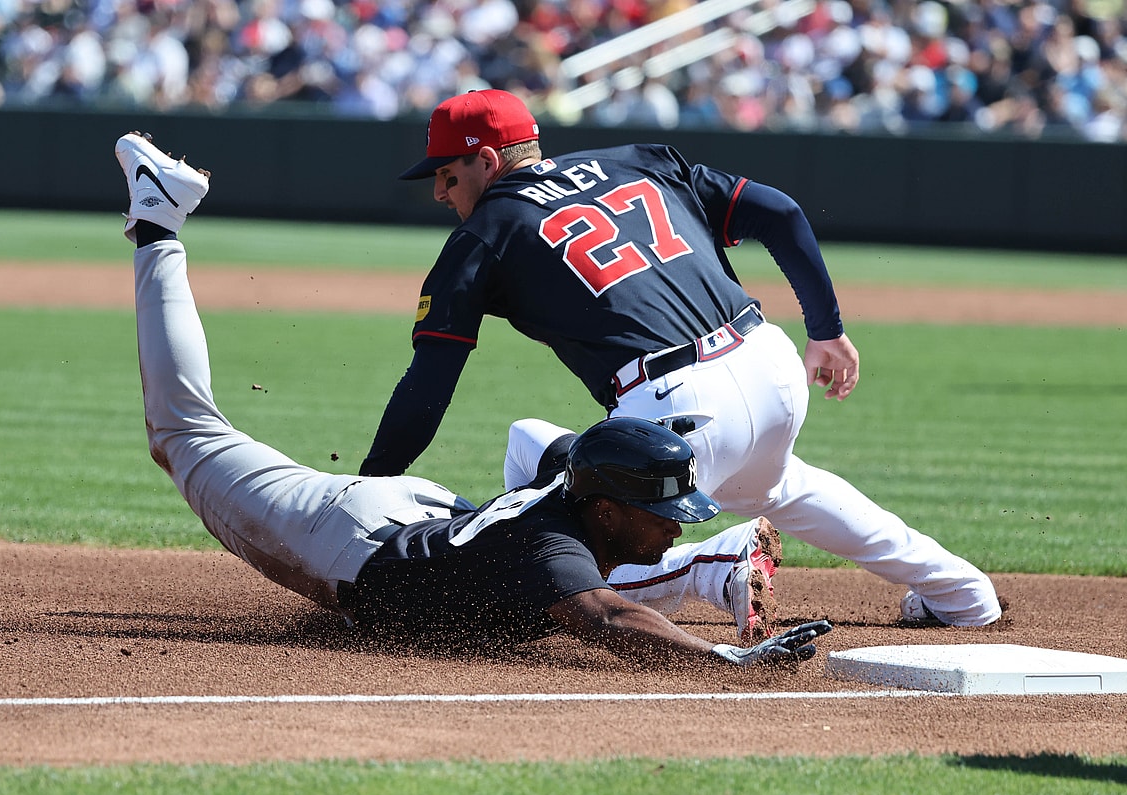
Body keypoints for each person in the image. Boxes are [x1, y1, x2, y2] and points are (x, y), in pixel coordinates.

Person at [112, 130, 833, 668]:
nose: (674, 523)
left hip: (424, 515)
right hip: (347, 537)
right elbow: (609, 619)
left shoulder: (582, 506)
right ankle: (157, 221)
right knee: (185, 435)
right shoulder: (552, 543)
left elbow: (589, 506)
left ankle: (723, 561)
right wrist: (728, 664)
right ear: (608, 505)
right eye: (665, 511)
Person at [360, 88, 1002, 627]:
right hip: (768, 365)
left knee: (530, 564)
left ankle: (714, 565)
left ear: (488, 160)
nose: (441, 192)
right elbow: (779, 211)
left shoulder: (483, 235)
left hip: (678, 407)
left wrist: (372, 484)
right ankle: (962, 593)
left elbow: (430, 381)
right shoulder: (638, 162)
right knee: (544, 445)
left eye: (447, 174)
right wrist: (827, 330)